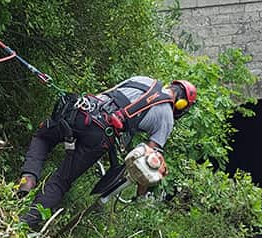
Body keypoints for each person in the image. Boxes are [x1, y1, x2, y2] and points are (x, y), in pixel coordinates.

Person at [17, 77, 197, 229]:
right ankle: (26, 223)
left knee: (43, 138)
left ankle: (28, 181)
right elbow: (149, 161)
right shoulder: (167, 117)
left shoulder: (142, 80)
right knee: (62, 180)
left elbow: (106, 94)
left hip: (82, 111)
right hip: (100, 136)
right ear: (181, 105)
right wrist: (141, 195)